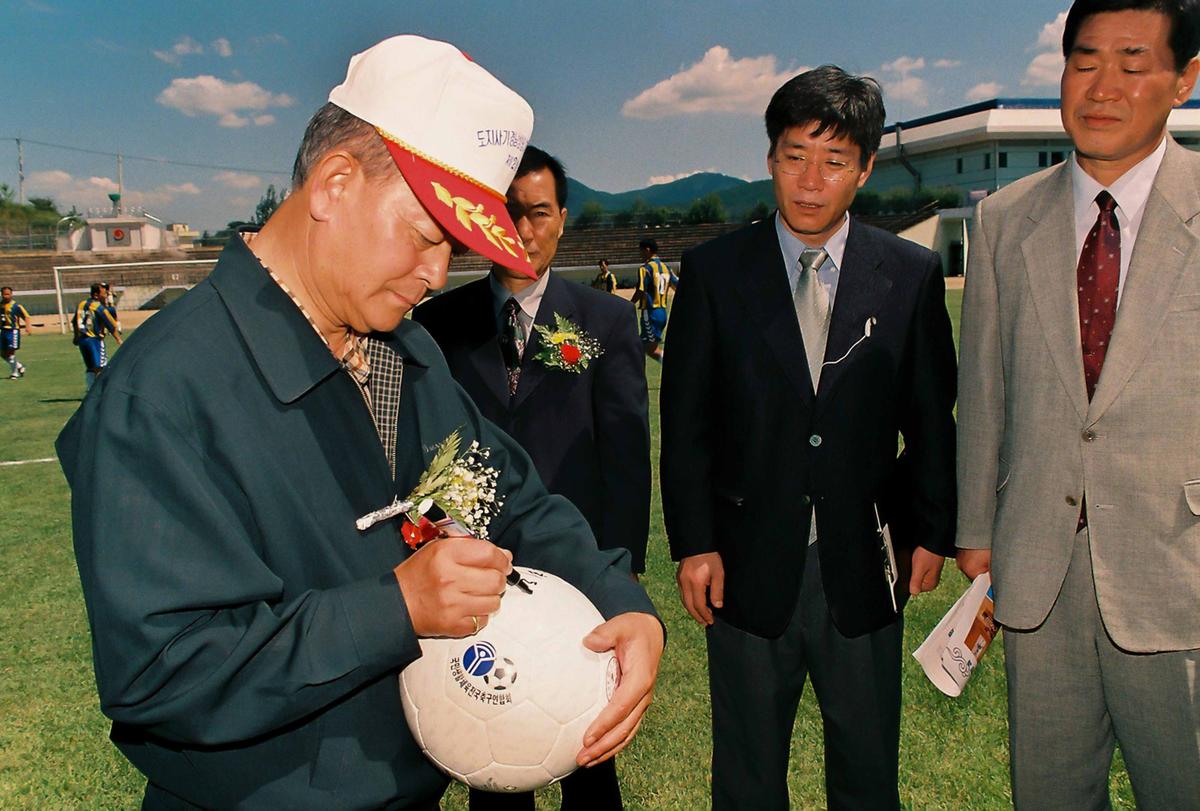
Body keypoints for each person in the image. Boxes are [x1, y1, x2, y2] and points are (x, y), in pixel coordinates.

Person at [56, 35, 663, 811]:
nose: (440, 274)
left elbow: (509, 496)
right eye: (426, 235)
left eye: (457, 247)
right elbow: (163, 670)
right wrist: (394, 608)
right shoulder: (166, 391)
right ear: (334, 183)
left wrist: (622, 600)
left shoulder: (403, 351)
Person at [660, 65, 957, 810]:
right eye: (795, 156)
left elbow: (929, 417)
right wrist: (694, 541)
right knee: (749, 774)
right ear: (770, 159)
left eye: (833, 161)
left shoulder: (911, 274)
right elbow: (687, 422)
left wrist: (931, 531)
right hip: (745, 561)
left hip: (861, 563)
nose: (811, 180)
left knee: (865, 769)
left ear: (863, 169)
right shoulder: (714, 272)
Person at [956, 1, 1200, 806]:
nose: (1102, 86)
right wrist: (975, 531)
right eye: (1083, 60)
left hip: (1181, 569)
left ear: (1185, 78)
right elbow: (985, 390)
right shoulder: (1001, 220)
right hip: (1039, 574)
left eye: (1133, 64)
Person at [416, 146, 650, 811]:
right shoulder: (439, 325)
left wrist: (622, 563)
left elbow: (628, 453)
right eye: (508, 211)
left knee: (585, 748)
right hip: (477, 567)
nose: (523, 227)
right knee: (491, 744)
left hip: (578, 567)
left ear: (563, 217)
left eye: (539, 212)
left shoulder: (601, 319)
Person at [630, 239, 676, 360]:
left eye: (640, 251)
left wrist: (629, 304)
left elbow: (640, 290)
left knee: (645, 347)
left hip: (650, 312)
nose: (640, 254)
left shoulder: (645, 269)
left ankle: (674, 365)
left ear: (647, 250)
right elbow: (678, 286)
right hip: (662, 313)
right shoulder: (667, 268)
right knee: (646, 346)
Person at [72, 282, 122, 391]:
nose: (106, 295)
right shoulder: (99, 307)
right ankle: (100, 391)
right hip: (94, 340)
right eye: (104, 293)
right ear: (96, 295)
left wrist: (76, 337)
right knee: (100, 367)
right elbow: (111, 325)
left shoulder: (81, 304)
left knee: (90, 368)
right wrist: (118, 339)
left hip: (82, 340)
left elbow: (74, 322)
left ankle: (91, 389)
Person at [1, 285, 32, 379]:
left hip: (13, 331)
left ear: (11, 294)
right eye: (4, 294)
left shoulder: (16, 306)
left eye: (8, 294)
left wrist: (28, 327)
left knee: (11, 353)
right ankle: (19, 367)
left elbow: (26, 316)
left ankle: (14, 373)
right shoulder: (1, 305)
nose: (6, 296)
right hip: (3, 331)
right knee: (2, 353)